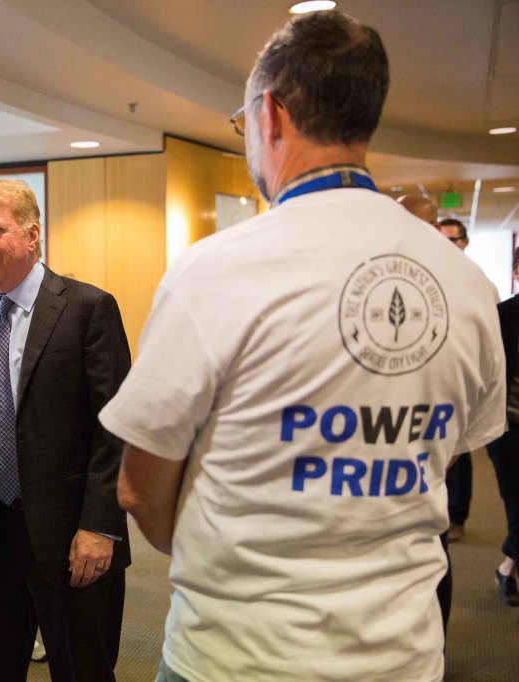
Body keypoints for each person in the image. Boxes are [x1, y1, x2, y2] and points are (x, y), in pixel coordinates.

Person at [100, 11, 506, 682]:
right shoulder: (466, 286)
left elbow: (140, 488)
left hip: (238, 657)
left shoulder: (214, 271)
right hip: (403, 655)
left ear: (271, 115)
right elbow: (450, 448)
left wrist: (218, 551)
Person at [0, 179, 130, 681]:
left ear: (33, 236)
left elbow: (116, 428)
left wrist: (100, 527)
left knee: (83, 671)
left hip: (73, 537)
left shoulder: (86, 309)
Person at [485, 247, 519, 607]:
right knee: (516, 503)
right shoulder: (502, 317)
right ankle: (508, 570)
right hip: (509, 428)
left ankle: (507, 567)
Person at [439, 217, 472, 542]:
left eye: (451, 239)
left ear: (464, 242)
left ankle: (458, 517)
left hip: (462, 383)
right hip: (429, 383)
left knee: (461, 455)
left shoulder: (475, 283)